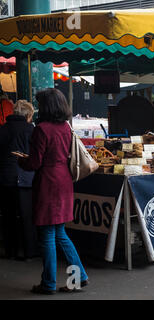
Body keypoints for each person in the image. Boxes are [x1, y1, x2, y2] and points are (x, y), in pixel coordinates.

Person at [17, 88, 89, 295]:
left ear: (46, 106)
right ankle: (79, 277)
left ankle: (48, 283)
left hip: (48, 183)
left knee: (48, 234)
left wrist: (22, 160)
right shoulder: (66, 127)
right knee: (60, 233)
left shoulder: (42, 129)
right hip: (64, 181)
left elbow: (35, 162)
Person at [0, 100, 38, 260]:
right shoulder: (31, 129)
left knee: (8, 216)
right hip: (26, 178)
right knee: (27, 216)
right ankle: (29, 252)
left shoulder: (2, 129)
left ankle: (10, 251)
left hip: (4, 178)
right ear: (28, 115)